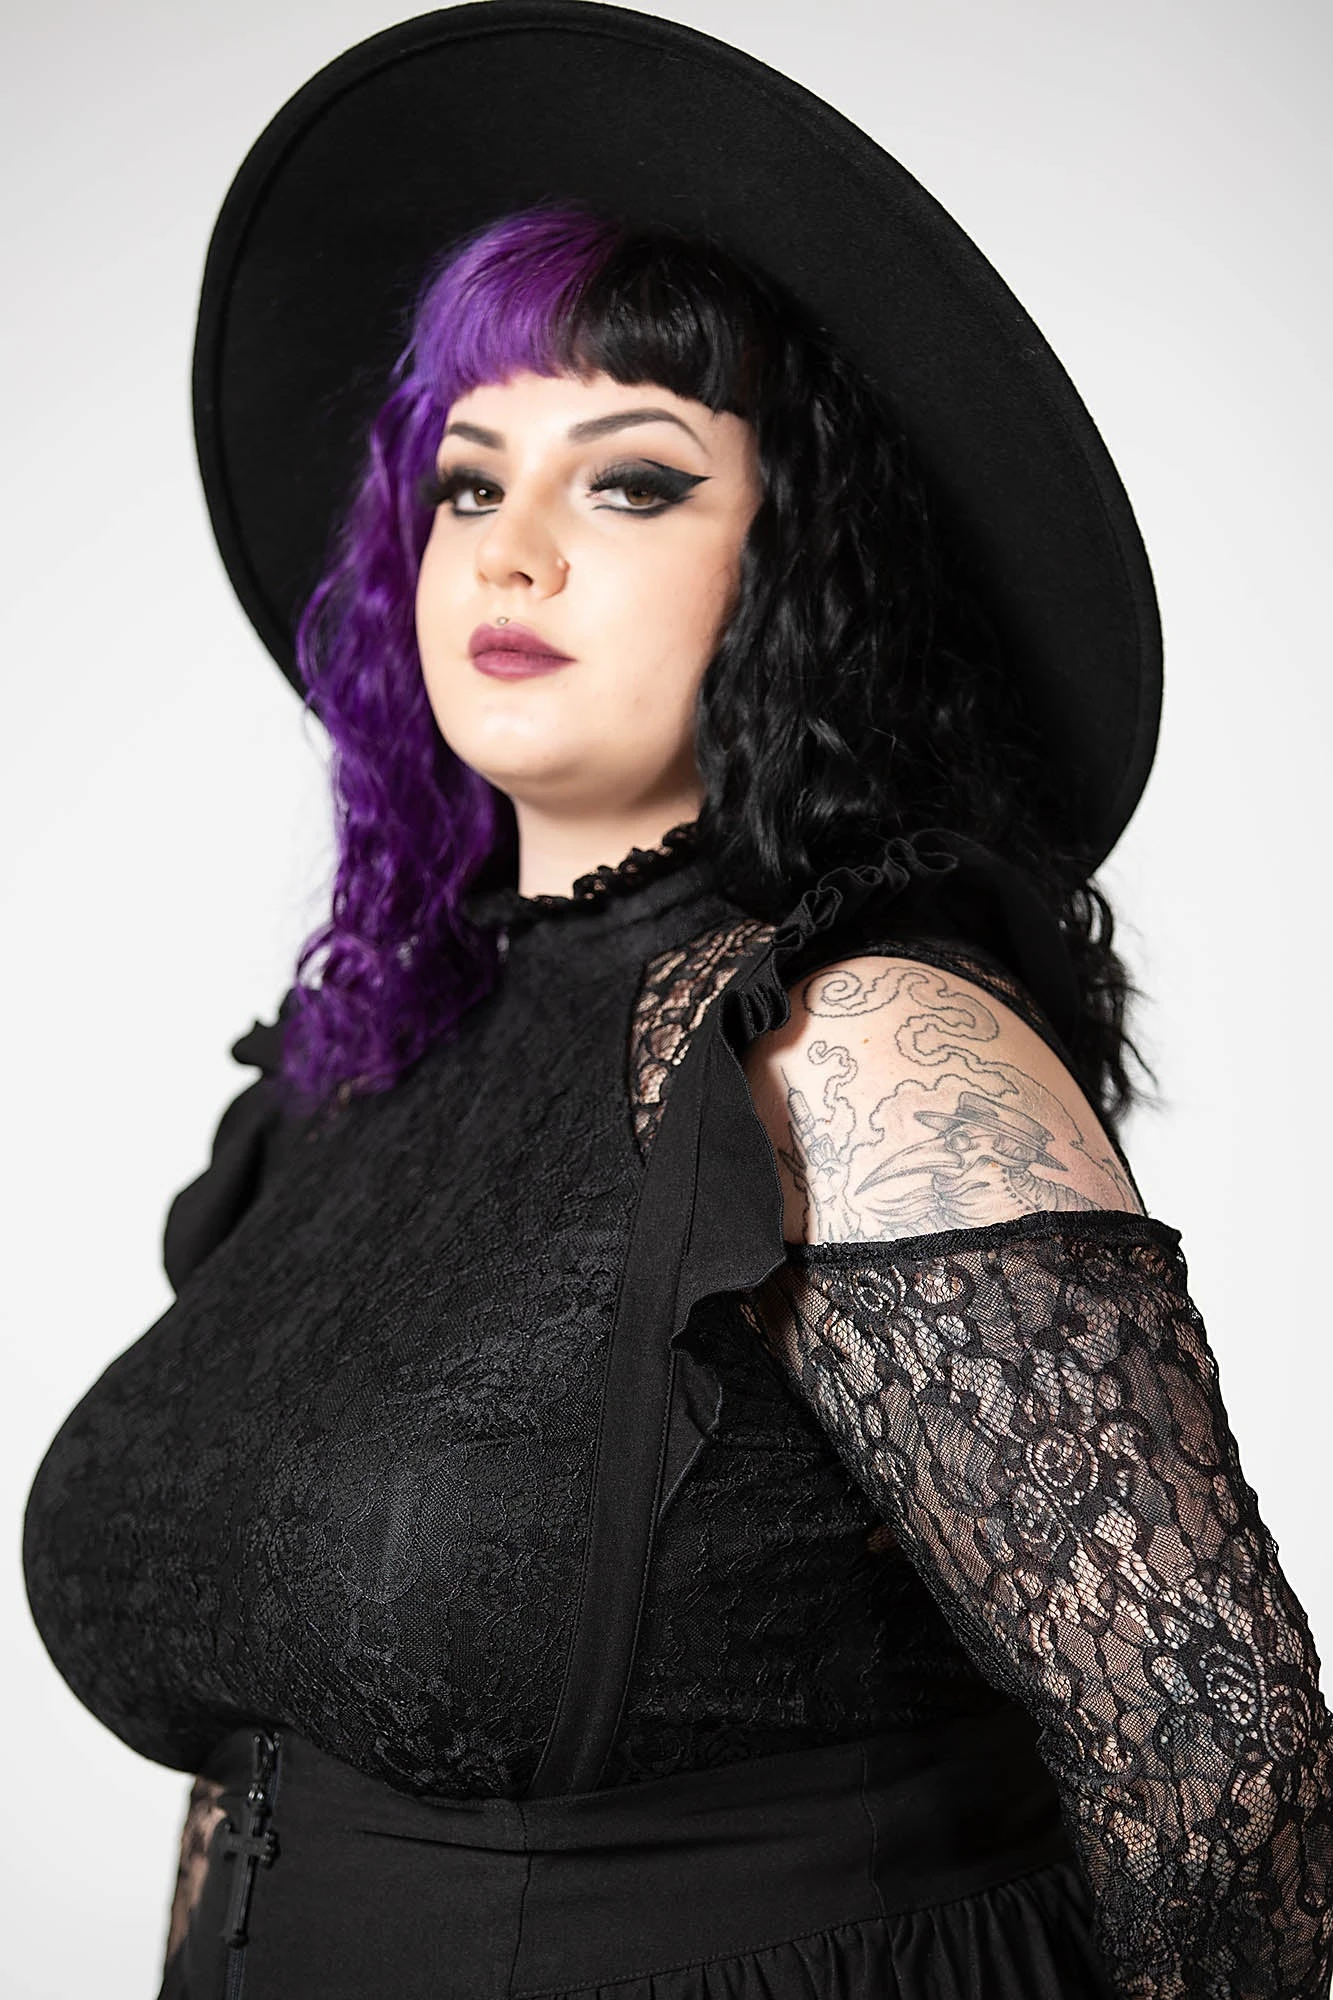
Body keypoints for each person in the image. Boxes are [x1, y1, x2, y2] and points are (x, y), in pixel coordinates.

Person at [21, 5, 1333, 1997]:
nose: (515, 554)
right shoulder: (360, 1064)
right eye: (467, 485)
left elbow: (1218, 1761)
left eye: (631, 483)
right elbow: (248, 1744)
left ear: (799, 563)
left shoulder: (849, 1045)